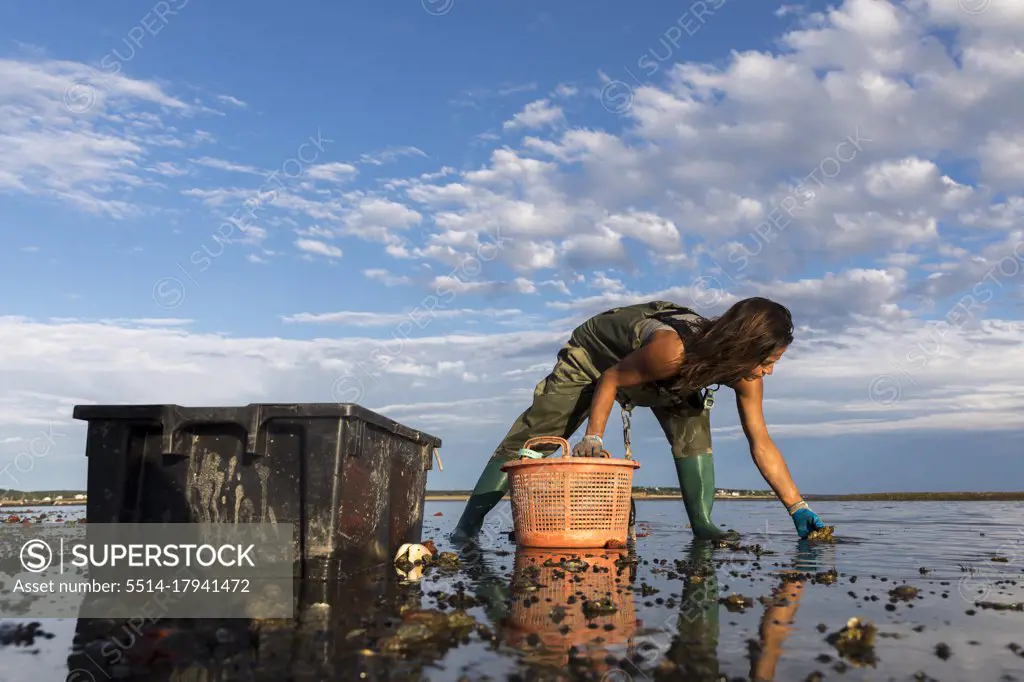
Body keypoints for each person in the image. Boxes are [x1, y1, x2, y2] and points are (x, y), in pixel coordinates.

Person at [451, 297, 827, 542]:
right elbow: (612, 378)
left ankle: (703, 525)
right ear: (742, 349)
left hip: (669, 376)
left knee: (693, 429)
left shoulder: (745, 374)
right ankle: (467, 527)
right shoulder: (671, 350)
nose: (770, 372)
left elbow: (760, 441)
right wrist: (593, 437)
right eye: (767, 361)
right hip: (598, 357)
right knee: (541, 435)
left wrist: (798, 507)